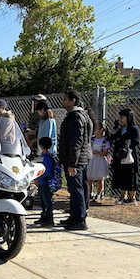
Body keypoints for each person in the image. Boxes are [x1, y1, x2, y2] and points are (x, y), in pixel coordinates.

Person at [58, 90, 93, 230]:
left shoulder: (75, 117)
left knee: (77, 189)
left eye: (65, 99)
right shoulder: (84, 116)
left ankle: (80, 220)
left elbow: (76, 142)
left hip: (76, 161)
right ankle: (75, 216)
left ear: (73, 101)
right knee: (79, 188)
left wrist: (72, 163)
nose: (63, 101)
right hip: (82, 159)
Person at [111, 108, 140, 205]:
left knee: (131, 175)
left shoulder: (134, 129)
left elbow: (137, 140)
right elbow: (113, 137)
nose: (121, 119)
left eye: (122, 117)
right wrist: (114, 129)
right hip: (120, 155)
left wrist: (126, 142)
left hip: (129, 155)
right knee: (121, 174)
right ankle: (123, 196)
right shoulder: (121, 129)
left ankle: (132, 198)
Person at [33, 136, 56, 227]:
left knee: (47, 201)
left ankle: (49, 218)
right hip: (42, 182)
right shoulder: (45, 156)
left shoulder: (46, 158)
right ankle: (44, 216)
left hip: (45, 182)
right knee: (43, 200)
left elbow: (46, 171)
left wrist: (37, 177)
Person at [87, 123, 111, 204]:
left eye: (96, 129)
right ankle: (90, 193)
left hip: (100, 161)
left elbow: (106, 152)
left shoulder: (105, 140)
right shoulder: (92, 139)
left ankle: (98, 194)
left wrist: (98, 152)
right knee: (90, 178)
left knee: (99, 179)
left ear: (101, 130)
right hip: (92, 160)